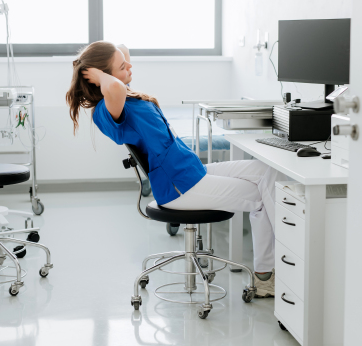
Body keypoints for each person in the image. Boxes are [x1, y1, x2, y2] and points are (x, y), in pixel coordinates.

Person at [66, 41, 284, 297]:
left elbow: (120, 59)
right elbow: (113, 86)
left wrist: (113, 58)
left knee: (264, 171)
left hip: (191, 172)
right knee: (259, 199)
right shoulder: (105, 109)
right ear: (101, 77)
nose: (130, 66)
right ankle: (267, 277)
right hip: (179, 187)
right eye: (122, 66)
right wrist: (98, 72)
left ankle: (289, 254)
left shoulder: (127, 97)